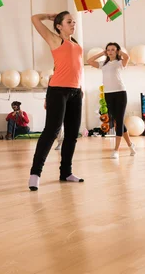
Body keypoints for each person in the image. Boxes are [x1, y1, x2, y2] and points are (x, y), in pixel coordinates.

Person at [28, 11, 85, 191]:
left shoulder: (75, 43)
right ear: (59, 26)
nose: (73, 24)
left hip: (76, 92)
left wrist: (80, 88)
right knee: (51, 132)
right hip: (58, 92)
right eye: (69, 22)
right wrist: (51, 16)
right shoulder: (55, 40)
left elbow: (71, 67)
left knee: (71, 135)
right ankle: (35, 174)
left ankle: (66, 172)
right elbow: (35, 19)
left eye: (73, 22)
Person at [87, 43, 136, 159]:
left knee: (119, 121)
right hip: (108, 94)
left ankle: (116, 150)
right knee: (115, 121)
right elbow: (89, 60)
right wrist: (101, 53)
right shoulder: (103, 64)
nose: (110, 52)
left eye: (113, 50)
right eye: (108, 50)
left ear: (117, 51)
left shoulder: (120, 63)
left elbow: (127, 57)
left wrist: (119, 52)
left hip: (120, 93)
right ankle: (130, 145)